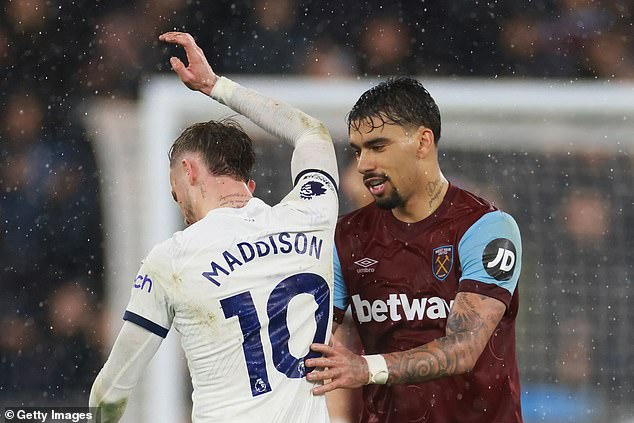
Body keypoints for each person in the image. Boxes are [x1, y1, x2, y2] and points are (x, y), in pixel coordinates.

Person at [89, 32, 339, 423]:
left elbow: (112, 389)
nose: (181, 209)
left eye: (175, 194)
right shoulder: (312, 216)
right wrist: (214, 85)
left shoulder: (173, 258)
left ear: (187, 171)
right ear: (247, 183)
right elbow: (311, 133)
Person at [305, 77, 523, 422]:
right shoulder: (344, 237)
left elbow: (463, 348)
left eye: (378, 147)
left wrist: (365, 368)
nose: (363, 164)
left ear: (423, 142)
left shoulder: (485, 228)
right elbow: (308, 338)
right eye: (357, 150)